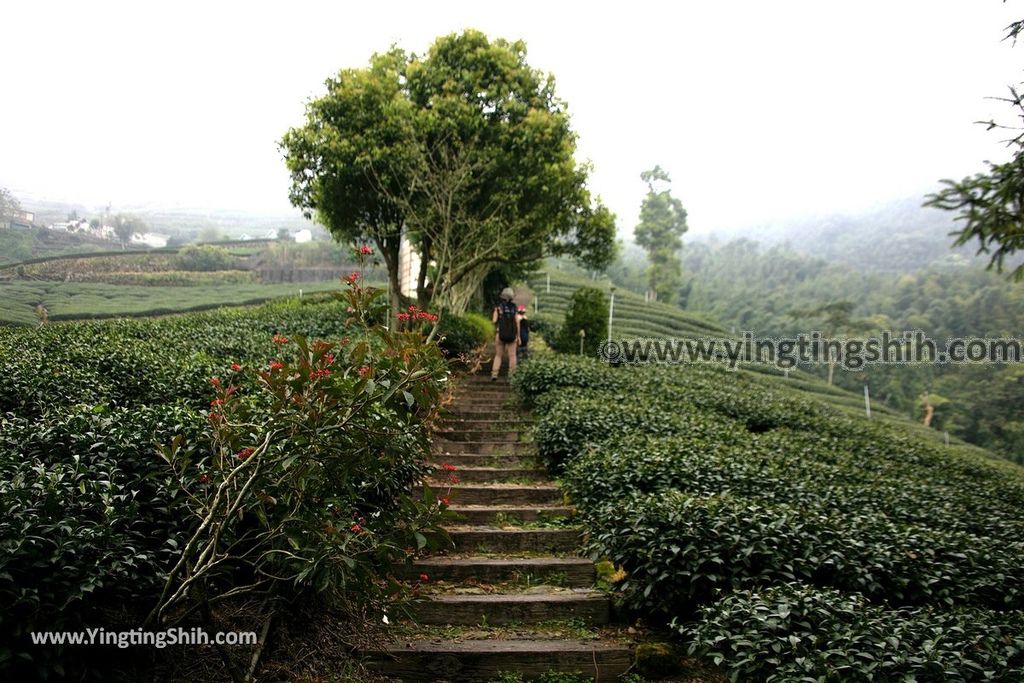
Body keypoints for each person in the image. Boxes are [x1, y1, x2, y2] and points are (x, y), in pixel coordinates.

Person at [491, 287, 521, 380]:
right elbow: (517, 322)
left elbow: (494, 320)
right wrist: (518, 336)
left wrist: (496, 312)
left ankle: (494, 374)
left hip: (500, 334)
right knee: (512, 355)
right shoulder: (514, 307)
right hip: (512, 334)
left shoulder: (499, 307)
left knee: (498, 355)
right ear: (512, 297)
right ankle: (512, 375)